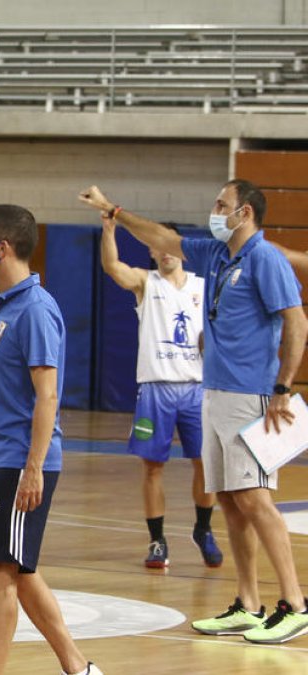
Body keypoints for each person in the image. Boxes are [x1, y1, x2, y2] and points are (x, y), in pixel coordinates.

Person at [80, 182, 308, 644]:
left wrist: (283, 388)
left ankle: (295, 604)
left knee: (255, 499)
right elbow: (162, 239)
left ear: (244, 213)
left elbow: (296, 321)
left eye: (221, 206)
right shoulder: (218, 254)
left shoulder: (265, 259)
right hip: (215, 393)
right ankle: (248, 603)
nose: (213, 212)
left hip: (251, 397)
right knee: (228, 498)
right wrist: (114, 211)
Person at [0, 203, 102, 675]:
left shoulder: (37, 311)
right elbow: (11, 394)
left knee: (0, 572)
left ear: (2, 247)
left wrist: (31, 467)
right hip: (4, 458)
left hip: (25, 464)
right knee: (17, 569)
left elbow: (47, 397)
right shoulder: (4, 307)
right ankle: (78, 667)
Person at [100, 214, 221, 569]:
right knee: (152, 467)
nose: (165, 250)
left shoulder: (202, 286)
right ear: (152, 250)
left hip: (197, 389)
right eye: (159, 243)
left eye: (171, 243)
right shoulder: (146, 283)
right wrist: (109, 230)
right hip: (155, 389)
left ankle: (203, 529)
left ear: (180, 249)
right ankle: (157, 540)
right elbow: (112, 266)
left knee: (207, 465)